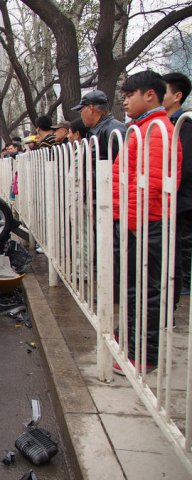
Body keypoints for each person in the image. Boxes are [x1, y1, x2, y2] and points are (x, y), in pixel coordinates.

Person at [111, 70, 182, 375]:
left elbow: (150, 184)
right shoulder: (143, 129)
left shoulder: (157, 131)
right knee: (132, 288)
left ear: (149, 95)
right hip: (135, 222)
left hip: (146, 224)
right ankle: (128, 339)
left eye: (129, 95)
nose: (125, 102)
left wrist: (130, 225)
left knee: (148, 292)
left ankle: (145, 356)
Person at [162, 72, 192, 299]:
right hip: (170, 196)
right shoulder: (165, 124)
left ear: (177, 96)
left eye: (164, 90)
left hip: (183, 197)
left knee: (184, 243)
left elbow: (185, 164)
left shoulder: (185, 124)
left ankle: (185, 286)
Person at [72, 89, 126, 161]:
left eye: (81, 111)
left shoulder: (113, 130)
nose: (81, 115)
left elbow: (123, 164)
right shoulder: (96, 130)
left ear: (91, 108)